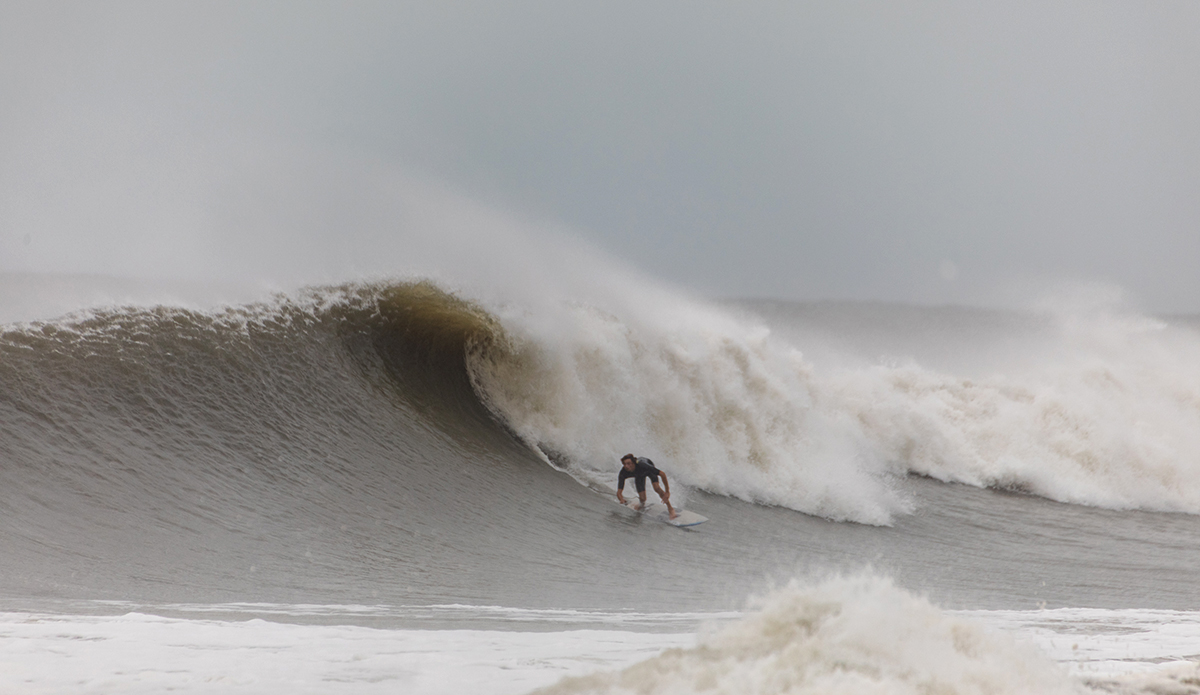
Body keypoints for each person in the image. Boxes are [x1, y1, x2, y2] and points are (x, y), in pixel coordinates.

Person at [616, 454, 677, 519]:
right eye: (624, 464)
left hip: (648, 470)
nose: (626, 466)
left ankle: (670, 508)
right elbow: (619, 492)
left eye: (628, 463)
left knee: (656, 488)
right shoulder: (623, 472)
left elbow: (662, 474)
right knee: (642, 499)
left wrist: (667, 492)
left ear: (633, 463)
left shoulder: (643, 466)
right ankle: (642, 505)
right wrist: (621, 500)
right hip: (639, 475)